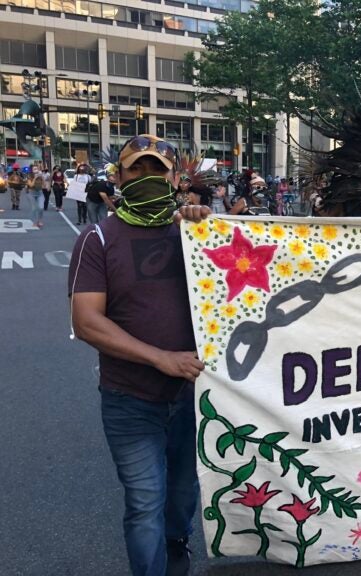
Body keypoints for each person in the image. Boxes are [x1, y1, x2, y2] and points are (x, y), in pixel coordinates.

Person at [68, 134, 204, 576]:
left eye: (157, 170)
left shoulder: (196, 233)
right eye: (137, 169)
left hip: (193, 397)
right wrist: (159, 358)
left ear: (175, 178)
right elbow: (87, 322)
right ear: (119, 177)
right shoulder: (97, 238)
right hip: (130, 400)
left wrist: (207, 229)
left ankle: (177, 548)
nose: (147, 177)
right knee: (146, 501)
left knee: (183, 497)